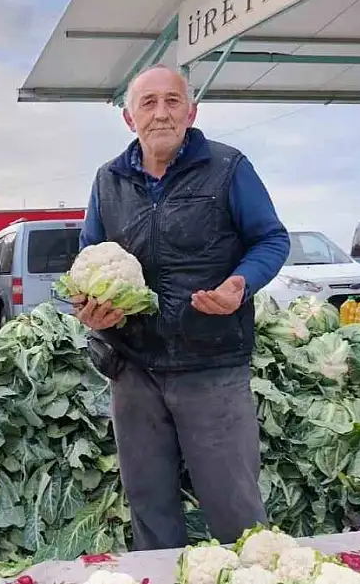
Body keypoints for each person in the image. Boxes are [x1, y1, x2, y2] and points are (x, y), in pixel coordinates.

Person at [73, 64, 290, 550]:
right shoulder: (108, 180)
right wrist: (89, 309)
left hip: (212, 366)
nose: (161, 113)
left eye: (173, 101)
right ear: (130, 119)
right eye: (148, 103)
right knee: (149, 506)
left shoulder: (228, 167)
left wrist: (241, 283)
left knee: (234, 508)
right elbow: (88, 256)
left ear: (191, 112)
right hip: (134, 370)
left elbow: (271, 239)